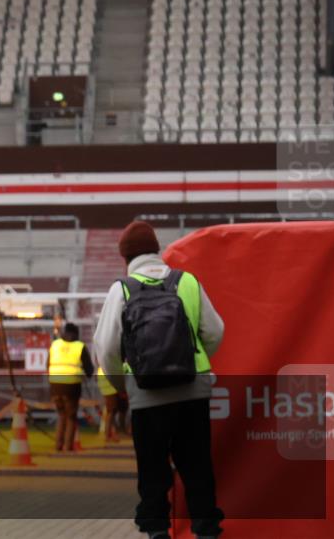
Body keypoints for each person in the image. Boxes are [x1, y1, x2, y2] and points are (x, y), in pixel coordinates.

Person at [93, 220, 224, 539]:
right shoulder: (188, 282)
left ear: (126, 258)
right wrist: (190, 361)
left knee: (152, 472)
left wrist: (124, 386)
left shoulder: (121, 289)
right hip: (192, 393)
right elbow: (215, 331)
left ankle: (157, 533)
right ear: (156, 250)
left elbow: (106, 348)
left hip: (145, 396)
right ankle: (206, 530)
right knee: (197, 467)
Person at [48, 322, 94, 451]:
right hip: (72, 386)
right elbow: (89, 369)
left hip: (55, 385)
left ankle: (58, 445)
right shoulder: (80, 346)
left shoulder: (55, 345)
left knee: (61, 415)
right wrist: (86, 374)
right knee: (71, 417)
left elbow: (48, 365)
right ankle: (68, 446)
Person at [96, 364, 121, 443]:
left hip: (106, 386)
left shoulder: (102, 363)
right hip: (110, 387)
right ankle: (108, 435)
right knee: (111, 411)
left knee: (111, 411)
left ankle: (111, 433)